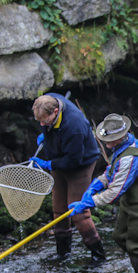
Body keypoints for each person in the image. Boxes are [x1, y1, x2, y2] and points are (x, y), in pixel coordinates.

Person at [68, 114, 138, 273]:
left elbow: (115, 191)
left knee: (135, 247)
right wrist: (94, 186)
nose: (106, 143)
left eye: (111, 140)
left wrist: (89, 203)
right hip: (129, 203)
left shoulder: (130, 157)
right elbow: (112, 171)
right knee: (119, 237)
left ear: (121, 136)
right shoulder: (124, 146)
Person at [31, 93, 105, 261]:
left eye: (45, 121)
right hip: (58, 159)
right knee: (59, 210)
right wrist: (46, 135)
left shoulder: (74, 126)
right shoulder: (48, 101)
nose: (42, 124)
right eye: (39, 121)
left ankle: (98, 256)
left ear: (56, 111)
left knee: (78, 213)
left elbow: (73, 160)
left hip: (80, 164)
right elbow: (47, 124)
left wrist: (49, 165)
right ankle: (62, 254)